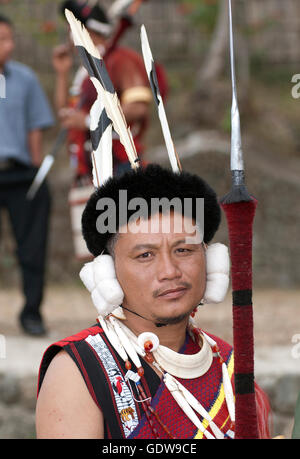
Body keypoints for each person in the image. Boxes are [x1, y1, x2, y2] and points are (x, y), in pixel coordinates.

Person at [36, 163, 271, 439]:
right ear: (107, 274)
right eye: (145, 255)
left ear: (210, 261)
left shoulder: (230, 365)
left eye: (183, 249)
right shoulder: (78, 373)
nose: (170, 271)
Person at [52, 1, 155, 260]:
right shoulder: (83, 70)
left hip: (119, 165)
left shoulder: (121, 60)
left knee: (129, 246)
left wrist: (87, 122)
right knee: (101, 254)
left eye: (71, 27)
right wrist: (62, 74)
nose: (67, 34)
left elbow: (139, 107)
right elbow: (67, 114)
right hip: (89, 169)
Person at [0, 15, 54, 335]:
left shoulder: (25, 78)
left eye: (8, 38)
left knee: (32, 247)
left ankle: (32, 312)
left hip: (21, 175)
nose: (7, 44)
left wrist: (36, 171)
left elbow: (36, 126)